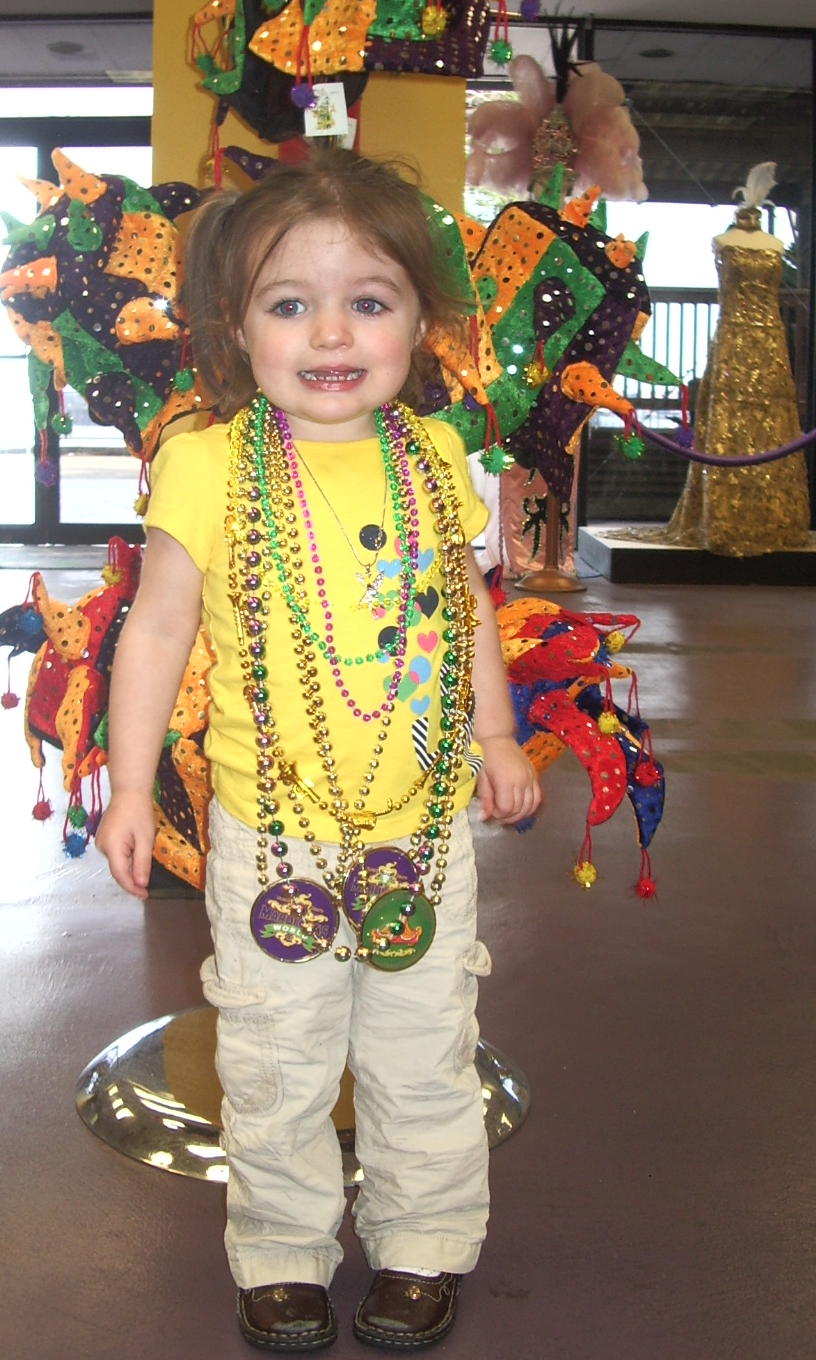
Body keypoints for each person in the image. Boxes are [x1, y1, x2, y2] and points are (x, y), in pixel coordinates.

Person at [96, 148, 540, 1353]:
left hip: (421, 828)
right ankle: (283, 1251)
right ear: (236, 328)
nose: (332, 332)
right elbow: (157, 630)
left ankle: (423, 1241)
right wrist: (129, 783)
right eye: (291, 303)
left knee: (423, 1053)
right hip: (272, 834)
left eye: (370, 300)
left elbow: (468, 604)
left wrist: (497, 730)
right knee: (277, 1058)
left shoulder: (434, 453)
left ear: (420, 321)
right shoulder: (204, 462)